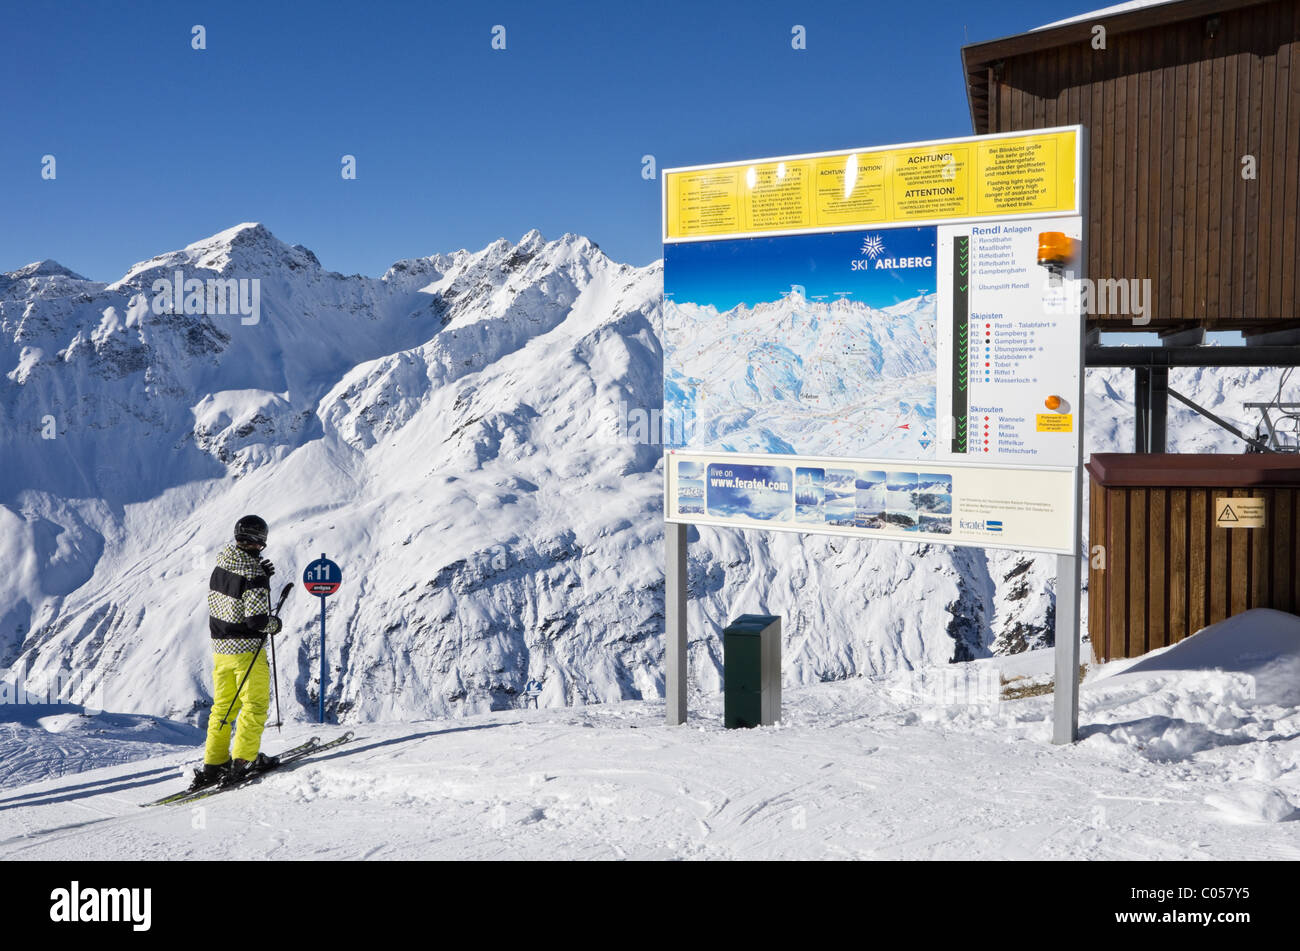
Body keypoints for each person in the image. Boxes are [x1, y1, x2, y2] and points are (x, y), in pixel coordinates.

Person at [190, 514, 283, 790]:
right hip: (247, 651)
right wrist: (274, 623)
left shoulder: (221, 567)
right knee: (253, 706)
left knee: (223, 708)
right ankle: (244, 760)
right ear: (260, 540)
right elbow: (256, 620)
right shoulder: (254, 574)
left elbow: (230, 602)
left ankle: (214, 763)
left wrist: (259, 577)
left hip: (220, 650)